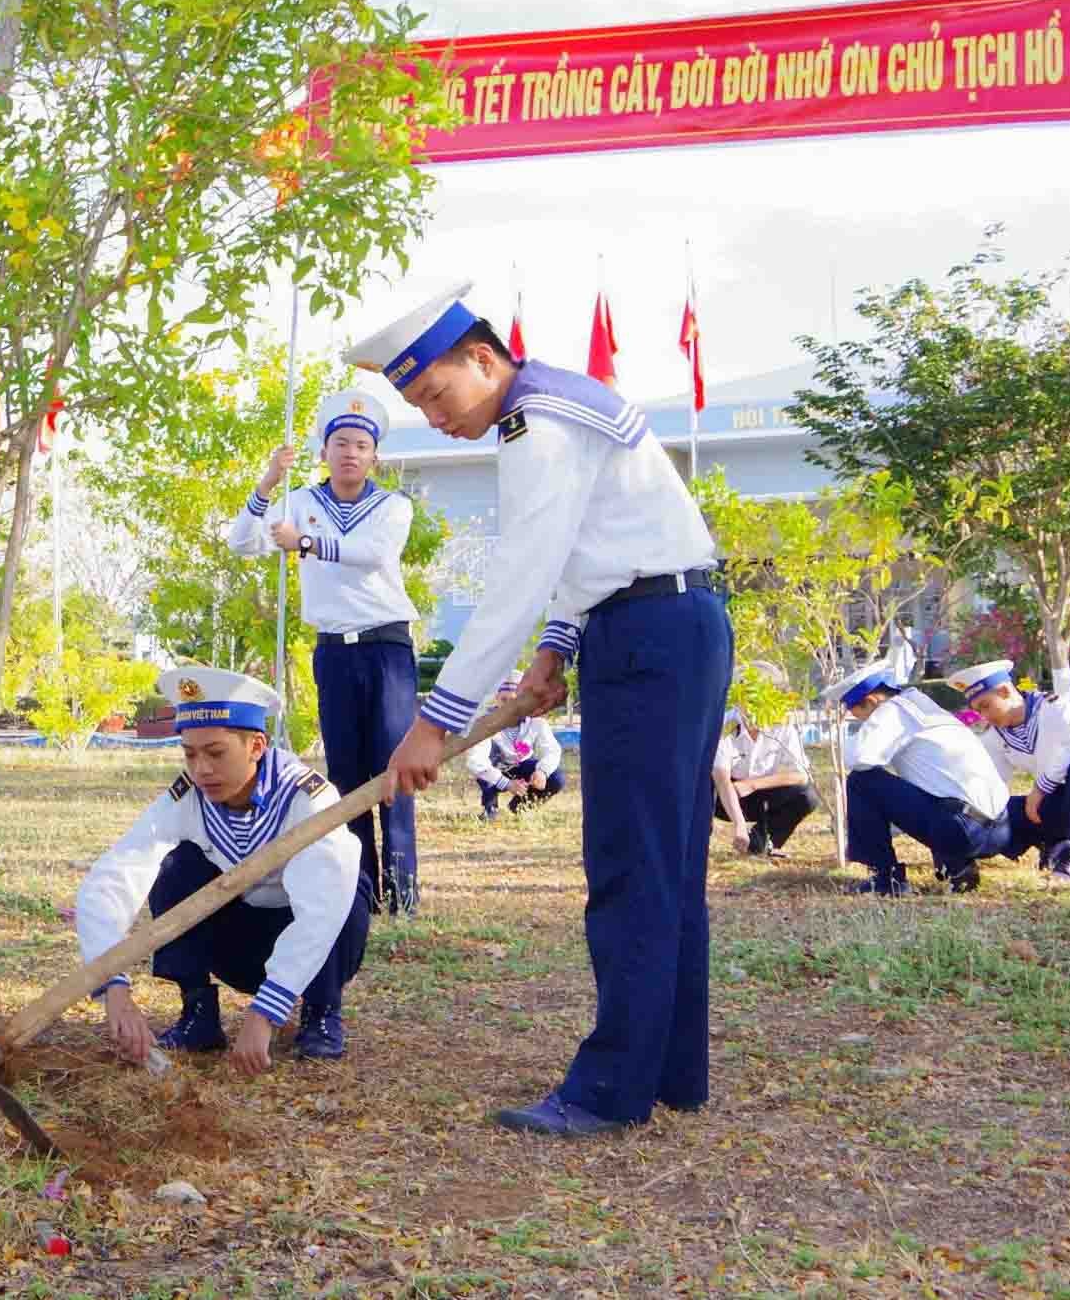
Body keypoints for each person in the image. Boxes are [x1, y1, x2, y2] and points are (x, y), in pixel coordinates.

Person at [355, 282, 731, 1137]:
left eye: (437, 396)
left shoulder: (538, 426)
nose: (437, 419)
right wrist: (555, 653)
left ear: (481, 358)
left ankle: (608, 1092)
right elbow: (588, 556)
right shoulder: (555, 402)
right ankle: (671, 1071)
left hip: (648, 636)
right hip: (663, 624)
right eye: (418, 406)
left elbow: (521, 575)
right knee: (666, 865)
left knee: (630, 867)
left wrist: (433, 721)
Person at [80, 666, 369, 1069]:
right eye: (190, 754)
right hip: (239, 944)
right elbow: (115, 876)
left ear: (256, 746)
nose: (201, 770)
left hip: (314, 946)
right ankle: (198, 1012)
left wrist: (265, 1011)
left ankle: (321, 1012)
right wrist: (111, 982)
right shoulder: (187, 798)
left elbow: (320, 913)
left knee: (345, 885)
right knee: (177, 868)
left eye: (215, 753)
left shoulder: (307, 798)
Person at [227, 388, 422, 914]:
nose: (350, 452)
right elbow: (243, 542)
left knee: (394, 767)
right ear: (324, 451)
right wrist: (269, 482)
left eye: (361, 444)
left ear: (374, 455)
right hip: (334, 651)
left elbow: (373, 554)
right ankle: (358, 893)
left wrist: (306, 545)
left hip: (385, 645)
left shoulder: (393, 506)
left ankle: (402, 895)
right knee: (346, 774)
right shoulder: (300, 502)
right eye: (340, 442)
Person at [827, 661, 1015, 895]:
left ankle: (886, 879)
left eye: (864, 717)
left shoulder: (893, 710)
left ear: (873, 700)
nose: (867, 724)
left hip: (964, 829)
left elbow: (859, 757)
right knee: (932, 787)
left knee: (861, 782)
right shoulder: (921, 704)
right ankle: (958, 868)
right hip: (999, 829)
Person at [948, 660, 1070, 883]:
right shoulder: (996, 736)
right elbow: (991, 782)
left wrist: (1040, 789)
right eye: (978, 711)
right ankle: (1051, 843)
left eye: (986, 706)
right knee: (999, 811)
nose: (984, 716)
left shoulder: (1056, 709)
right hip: (1049, 805)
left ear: (1005, 691)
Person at [712, 697, 820, 860]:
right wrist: (739, 824)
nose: (752, 710)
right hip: (725, 797)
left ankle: (760, 843)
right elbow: (722, 781)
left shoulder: (783, 724)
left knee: (807, 796)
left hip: (762, 792)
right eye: (749, 701)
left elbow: (801, 775)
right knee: (702, 788)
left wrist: (752, 784)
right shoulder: (725, 724)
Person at [469, 673, 567, 820]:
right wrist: (507, 784)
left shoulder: (536, 722)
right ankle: (490, 808)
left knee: (556, 778)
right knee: (486, 768)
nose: (509, 705)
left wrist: (542, 772)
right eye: (504, 699)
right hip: (496, 768)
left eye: (514, 700)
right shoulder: (484, 723)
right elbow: (476, 761)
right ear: (496, 698)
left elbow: (552, 750)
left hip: (522, 766)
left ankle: (519, 807)